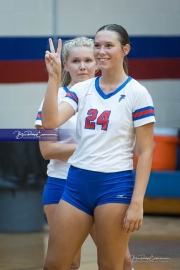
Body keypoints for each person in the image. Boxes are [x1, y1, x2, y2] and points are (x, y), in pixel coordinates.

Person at [42, 24, 155, 270]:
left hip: (114, 186)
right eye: (97, 45)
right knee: (54, 265)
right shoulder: (82, 89)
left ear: (125, 50)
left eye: (108, 45)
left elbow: (146, 152)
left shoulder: (138, 93)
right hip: (76, 184)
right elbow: (50, 122)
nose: (101, 51)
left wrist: (137, 202)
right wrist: (53, 77)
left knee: (111, 266)